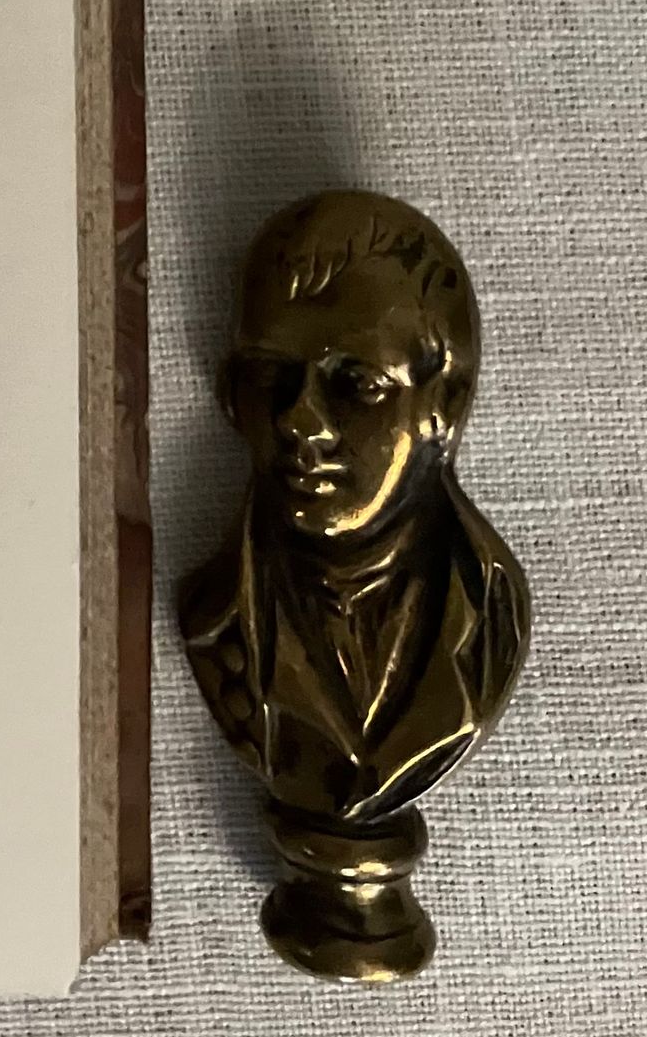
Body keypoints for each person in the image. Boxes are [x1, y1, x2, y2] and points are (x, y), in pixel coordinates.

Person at [180, 190, 529, 825]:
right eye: (270, 375)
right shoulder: (214, 616)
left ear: (445, 406)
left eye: (358, 384)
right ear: (231, 397)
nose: (301, 421)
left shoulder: (493, 616)